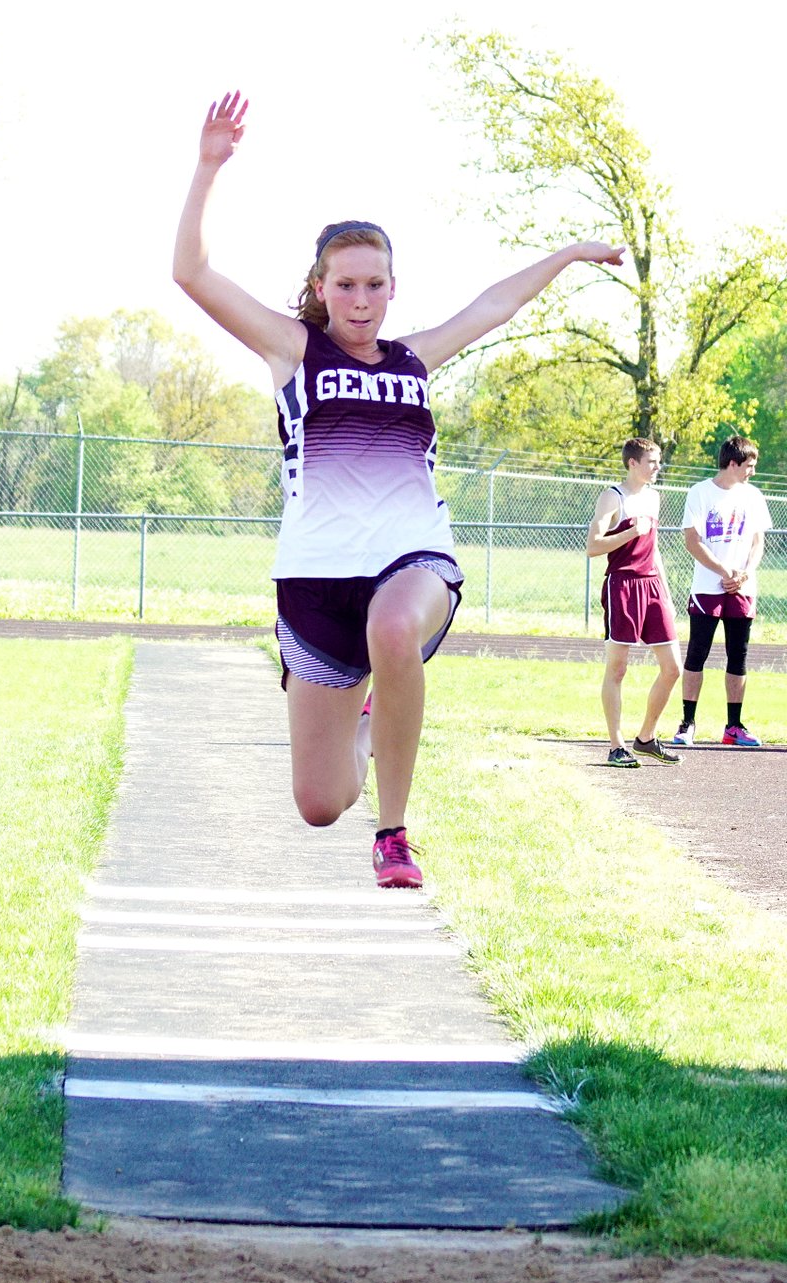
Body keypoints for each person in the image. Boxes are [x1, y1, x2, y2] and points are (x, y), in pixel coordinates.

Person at [173, 90, 625, 887]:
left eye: (375, 285)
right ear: (320, 287)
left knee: (392, 625)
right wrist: (209, 167)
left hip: (414, 563)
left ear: (392, 288)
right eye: (345, 285)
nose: (360, 300)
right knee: (317, 802)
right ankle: (363, 729)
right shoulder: (293, 352)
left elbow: (495, 304)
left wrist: (565, 255)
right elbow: (192, 272)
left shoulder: (416, 358)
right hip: (315, 579)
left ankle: (394, 835)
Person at [586, 438, 683, 768]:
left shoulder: (654, 498)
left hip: (652, 586)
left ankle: (646, 737)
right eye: (652, 462)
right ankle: (616, 746)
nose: (657, 467)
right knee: (618, 668)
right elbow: (594, 546)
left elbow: (653, 549)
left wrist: (666, 594)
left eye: (658, 462)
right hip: (623, 585)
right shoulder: (613, 496)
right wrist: (630, 532)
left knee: (672, 668)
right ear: (632, 464)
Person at [673, 435, 771, 748]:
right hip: (707, 587)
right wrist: (723, 571)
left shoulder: (753, 496)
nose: (752, 471)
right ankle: (687, 722)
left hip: (742, 588)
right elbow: (693, 541)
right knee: (696, 654)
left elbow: (758, 542)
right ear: (732, 463)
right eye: (749, 465)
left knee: (738, 657)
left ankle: (734, 726)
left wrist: (744, 573)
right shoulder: (700, 493)